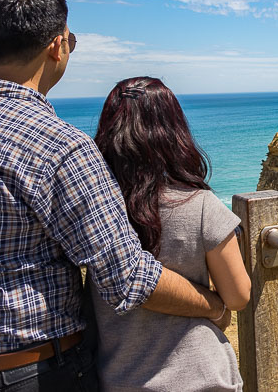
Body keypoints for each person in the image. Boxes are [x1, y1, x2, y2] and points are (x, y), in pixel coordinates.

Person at [0, 0, 230, 391]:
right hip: (34, 371)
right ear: (58, 45)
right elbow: (127, 276)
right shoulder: (59, 146)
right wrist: (212, 306)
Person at [92, 77, 251, 392]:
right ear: (173, 130)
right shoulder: (200, 205)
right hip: (199, 376)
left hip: (118, 377)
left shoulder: (97, 210)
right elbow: (238, 295)